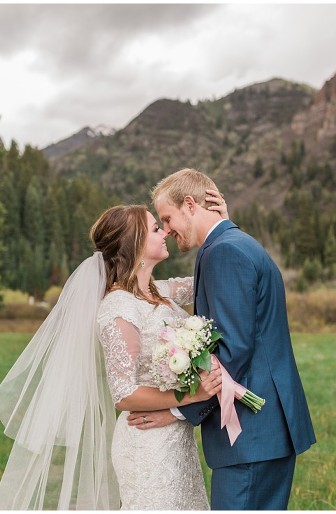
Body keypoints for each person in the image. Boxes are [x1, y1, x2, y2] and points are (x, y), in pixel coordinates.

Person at [0, 192, 228, 510]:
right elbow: (125, 394)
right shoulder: (118, 308)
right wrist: (193, 395)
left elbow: (218, 272)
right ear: (136, 245)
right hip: (146, 446)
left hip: (174, 441)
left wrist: (220, 222)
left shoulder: (158, 291)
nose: (166, 232)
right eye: (156, 229)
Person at [131, 168, 316, 510]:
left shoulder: (223, 252)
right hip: (267, 431)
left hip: (250, 434)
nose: (167, 230)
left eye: (167, 218)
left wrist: (178, 411)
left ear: (190, 204)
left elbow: (232, 351)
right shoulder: (234, 243)